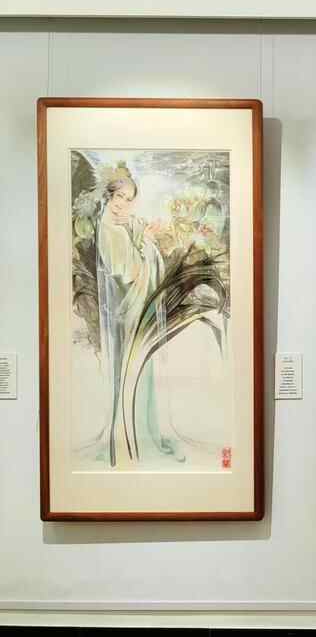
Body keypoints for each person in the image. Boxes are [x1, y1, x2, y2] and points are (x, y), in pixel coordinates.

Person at [95, 163, 185, 466]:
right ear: (109, 195)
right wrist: (145, 240)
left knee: (140, 371)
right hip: (129, 311)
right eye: (119, 196)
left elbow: (134, 232)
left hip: (133, 309)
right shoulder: (109, 229)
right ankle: (132, 440)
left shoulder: (119, 222)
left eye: (129, 199)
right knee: (133, 371)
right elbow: (129, 271)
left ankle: (144, 435)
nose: (123, 204)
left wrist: (144, 231)